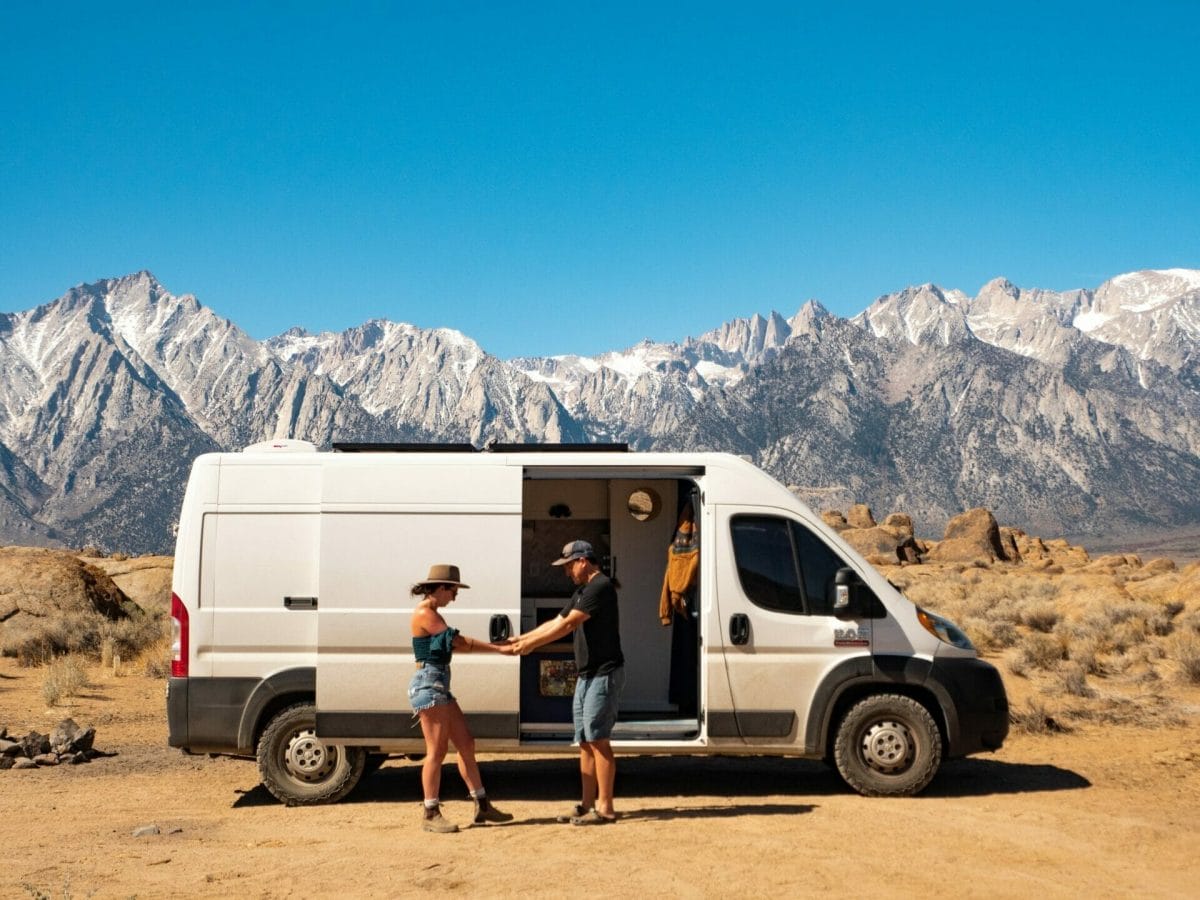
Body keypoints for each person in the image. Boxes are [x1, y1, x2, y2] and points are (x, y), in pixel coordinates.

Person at [509, 540, 625, 825]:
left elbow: (567, 625)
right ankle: (586, 805)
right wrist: (522, 639)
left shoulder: (600, 587)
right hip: (587, 674)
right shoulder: (583, 590)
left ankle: (606, 808)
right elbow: (555, 620)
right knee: (585, 741)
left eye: (569, 565)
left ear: (583, 560)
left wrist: (531, 645)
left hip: (603, 673)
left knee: (599, 740)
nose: (567, 572)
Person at [408, 564, 514, 833]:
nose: (455, 596)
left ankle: (482, 804)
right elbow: (456, 642)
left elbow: (455, 644)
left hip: (438, 683)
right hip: (430, 685)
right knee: (437, 751)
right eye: (453, 590)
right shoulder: (425, 613)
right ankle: (430, 813)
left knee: (466, 743)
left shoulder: (431, 612)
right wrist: (497, 648)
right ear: (441, 588)